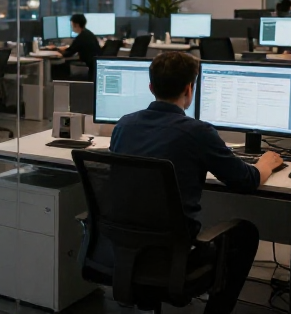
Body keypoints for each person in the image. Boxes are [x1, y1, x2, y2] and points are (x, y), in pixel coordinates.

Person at [110, 52, 281, 314]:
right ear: (190, 89)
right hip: (174, 251)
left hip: (124, 246)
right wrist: (265, 164)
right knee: (246, 233)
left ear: (151, 87)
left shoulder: (124, 124)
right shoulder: (198, 132)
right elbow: (246, 181)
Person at [49, 13, 101, 80]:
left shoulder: (81, 37)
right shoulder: (88, 33)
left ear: (76, 25)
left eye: (72, 25)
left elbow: (69, 53)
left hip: (90, 66)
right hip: (93, 65)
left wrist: (57, 53)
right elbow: (73, 49)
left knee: (60, 66)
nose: (71, 28)